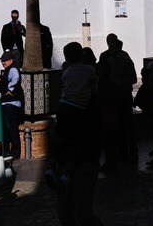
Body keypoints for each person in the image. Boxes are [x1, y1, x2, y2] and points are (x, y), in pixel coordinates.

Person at [52, 43, 103, 226]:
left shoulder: (65, 107)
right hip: (84, 161)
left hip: (74, 163)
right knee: (83, 212)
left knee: (69, 212)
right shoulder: (91, 109)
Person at [95, 35, 137, 172]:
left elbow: (132, 78)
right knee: (119, 126)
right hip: (114, 97)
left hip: (122, 96)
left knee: (126, 126)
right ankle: (123, 153)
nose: (110, 47)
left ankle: (129, 154)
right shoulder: (106, 57)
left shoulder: (124, 59)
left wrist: (119, 82)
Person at [0, 52, 24, 159]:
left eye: (5, 61)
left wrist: (10, 89)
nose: (3, 63)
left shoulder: (12, 69)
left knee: (11, 129)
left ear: (11, 60)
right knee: (7, 130)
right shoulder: (9, 69)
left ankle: (15, 152)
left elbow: (16, 78)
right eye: (2, 61)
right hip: (7, 103)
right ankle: (7, 151)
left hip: (11, 104)